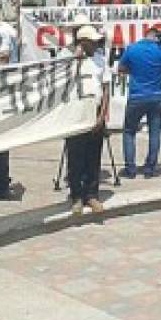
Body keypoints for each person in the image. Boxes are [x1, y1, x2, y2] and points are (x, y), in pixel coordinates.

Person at [118, 20, 161, 178]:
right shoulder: (160, 49)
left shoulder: (132, 48)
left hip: (136, 96)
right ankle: (150, 168)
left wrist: (135, 71)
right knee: (154, 132)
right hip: (156, 97)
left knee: (129, 132)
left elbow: (121, 69)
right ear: (157, 36)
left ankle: (130, 169)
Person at [66, 25, 111, 215]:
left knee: (94, 157)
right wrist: (76, 58)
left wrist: (102, 115)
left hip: (95, 112)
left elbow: (106, 88)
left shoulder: (101, 60)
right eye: (91, 41)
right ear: (83, 42)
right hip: (76, 114)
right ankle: (76, 196)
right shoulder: (68, 60)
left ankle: (91, 194)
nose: (95, 44)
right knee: (76, 157)